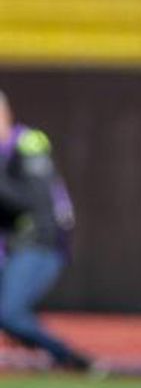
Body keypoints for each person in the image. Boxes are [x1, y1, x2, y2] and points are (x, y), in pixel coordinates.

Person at [0, 90, 88, 371]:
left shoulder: (28, 142)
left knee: (9, 314)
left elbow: (31, 201)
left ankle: (69, 357)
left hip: (41, 243)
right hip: (12, 245)